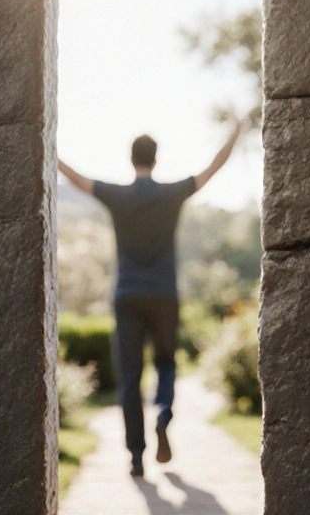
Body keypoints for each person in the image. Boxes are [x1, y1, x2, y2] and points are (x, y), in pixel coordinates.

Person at [58, 119, 242, 478]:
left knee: (129, 378)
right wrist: (234, 132)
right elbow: (212, 169)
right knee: (166, 363)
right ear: (156, 161)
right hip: (163, 294)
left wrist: (48, 144)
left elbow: (76, 178)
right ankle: (163, 413)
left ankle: (136, 458)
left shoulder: (116, 195)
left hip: (126, 295)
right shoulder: (172, 193)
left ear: (132, 160)